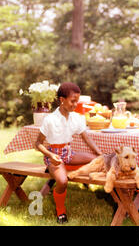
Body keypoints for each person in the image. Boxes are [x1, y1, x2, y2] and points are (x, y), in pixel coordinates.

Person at [35, 82, 102, 224]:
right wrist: (50, 156)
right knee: (63, 181)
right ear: (62, 99)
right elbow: (37, 144)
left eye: (77, 101)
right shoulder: (50, 119)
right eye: (73, 101)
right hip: (53, 156)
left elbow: (86, 138)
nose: (75, 104)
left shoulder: (76, 117)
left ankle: (66, 168)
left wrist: (99, 153)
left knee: (99, 161)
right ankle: (60, 211)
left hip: (68, 153)